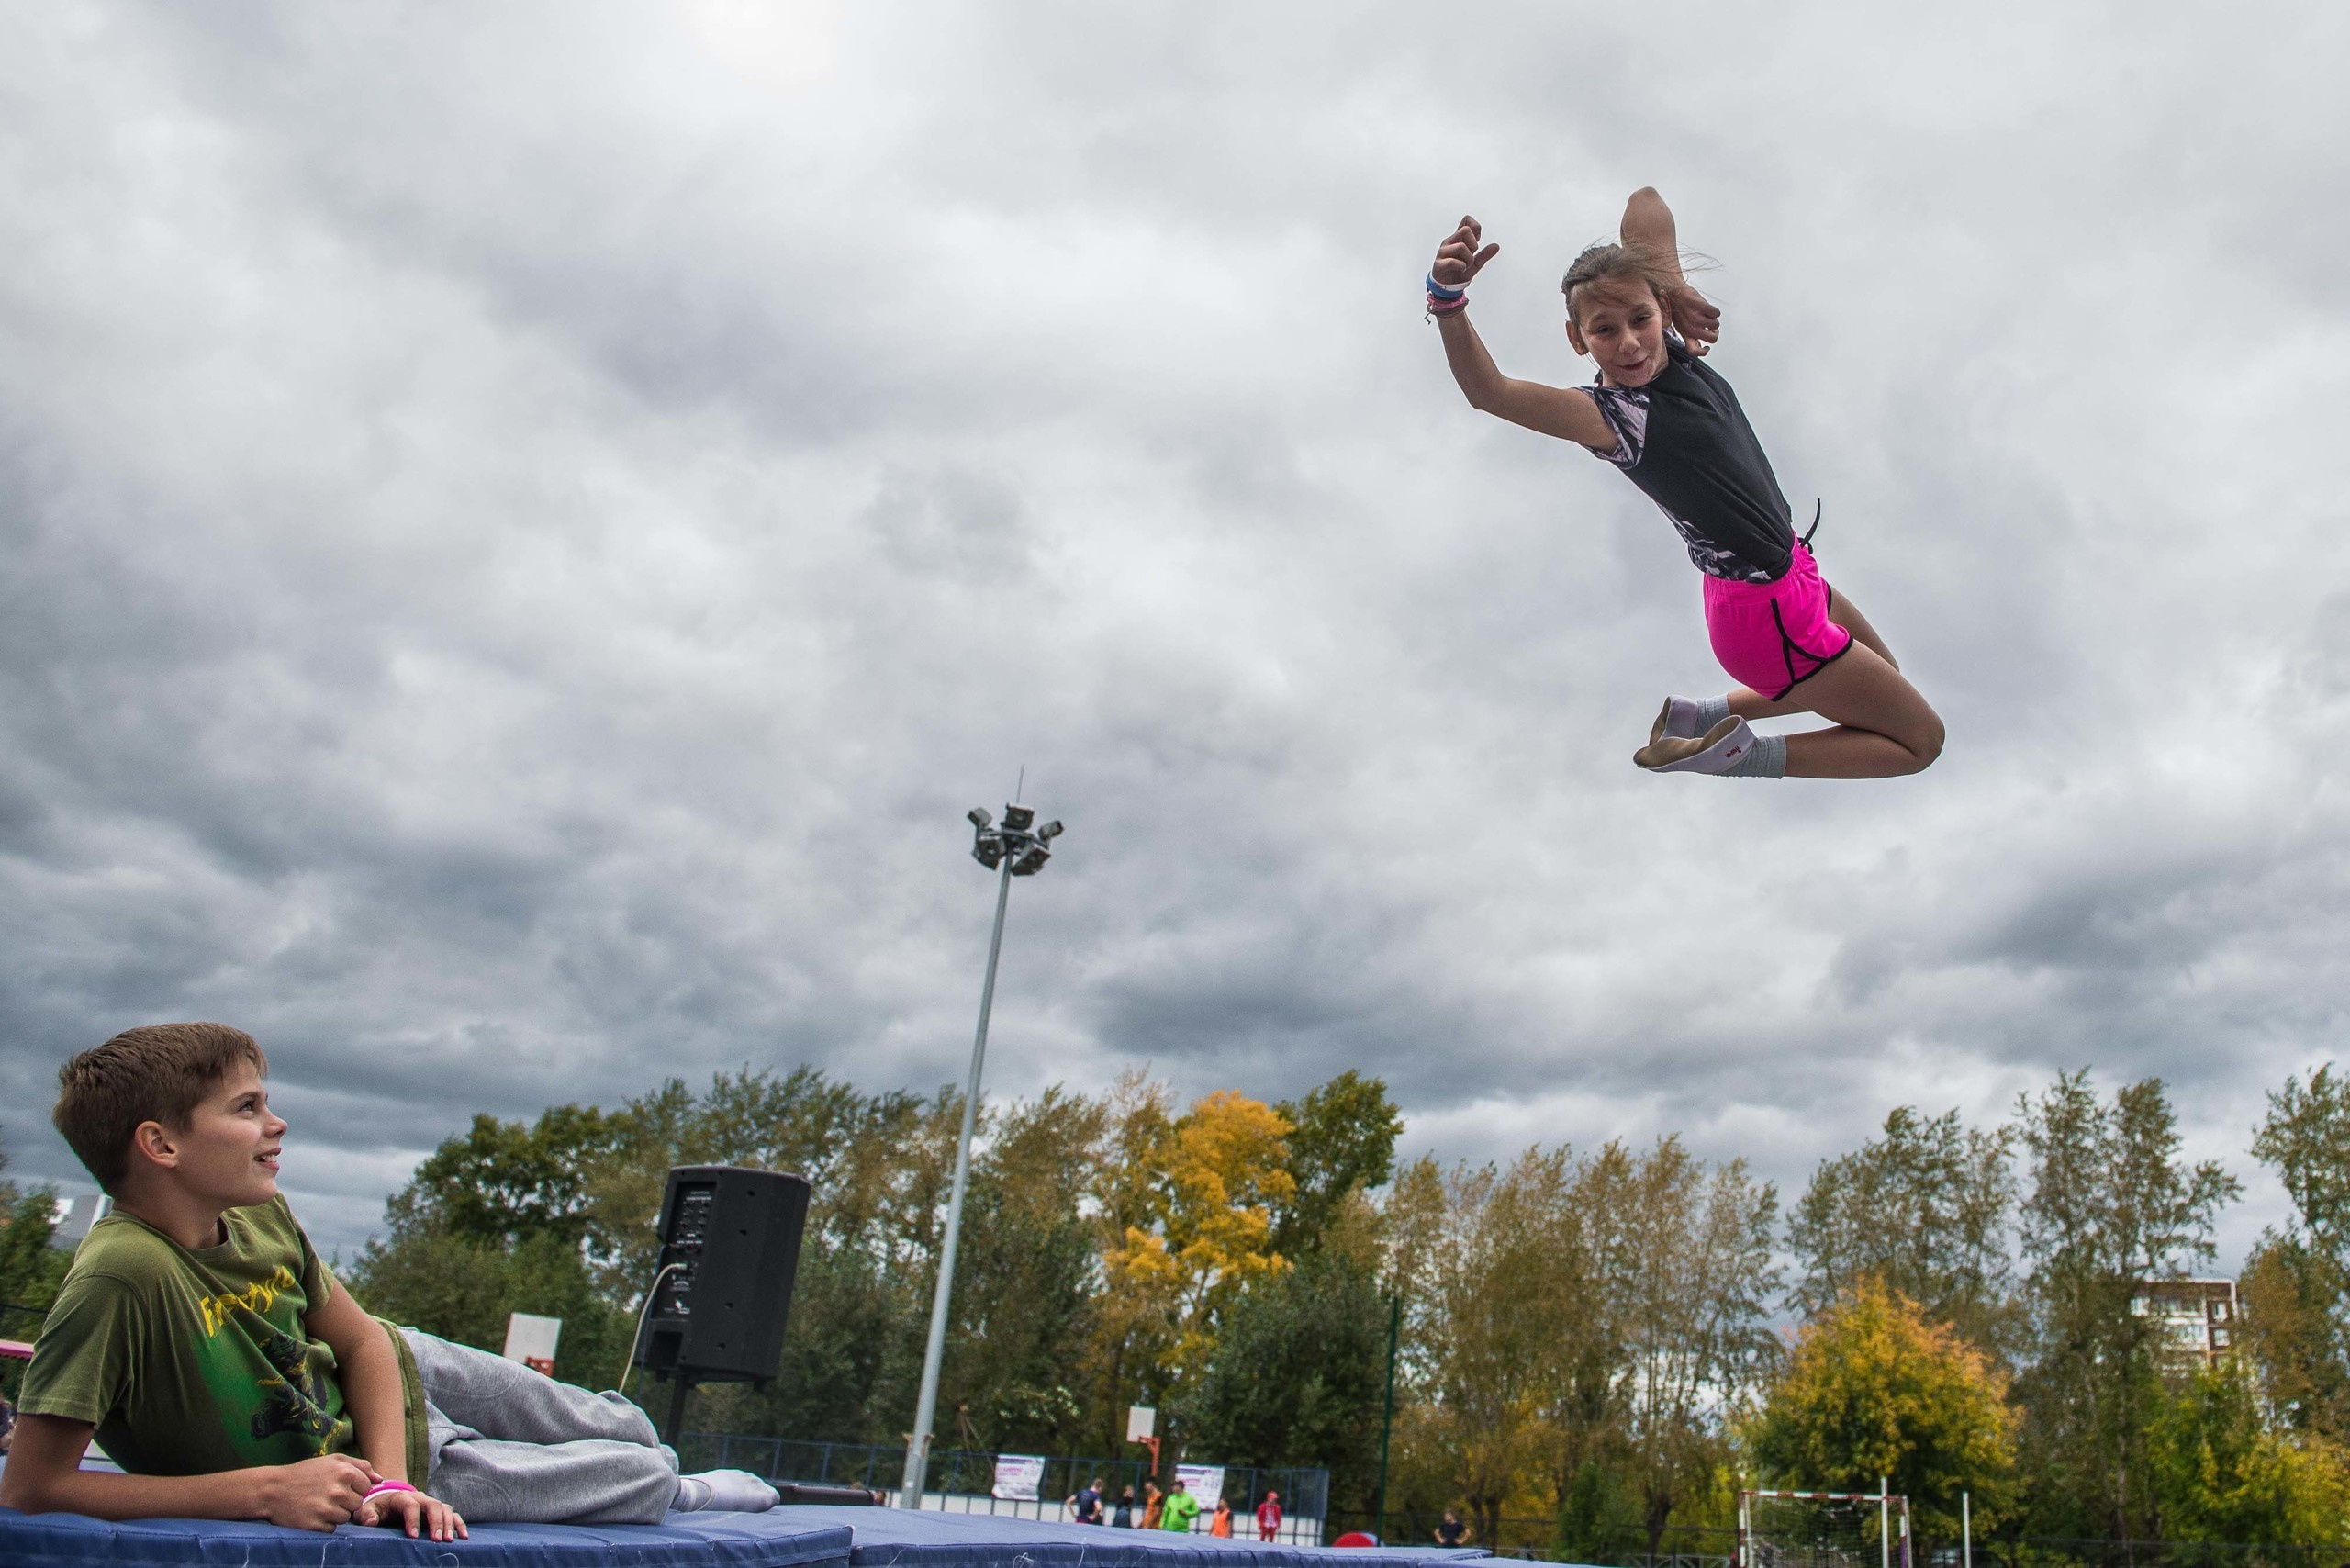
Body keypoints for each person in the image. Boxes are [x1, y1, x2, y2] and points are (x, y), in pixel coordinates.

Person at [0, 1024, 783, 1539]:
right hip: (349, 1457)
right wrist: (270, 1491)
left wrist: (391, 1484)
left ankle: (646, 1465)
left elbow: (363, 1339)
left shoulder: (267, 1220)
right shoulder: (120, 1277)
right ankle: (691, 1493)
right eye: (247, 1108)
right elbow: (33, 1489)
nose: (277, 1124)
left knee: (631, 1427)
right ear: (160, 1144)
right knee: (643, 1474)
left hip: (395, 1378)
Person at [1428, 191, 1943, 781]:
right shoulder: (1615, 416)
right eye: (1603, 330)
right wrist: (1448, 302)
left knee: (1888, 676)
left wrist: (1674, 287)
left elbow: (1645, 204)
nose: (1627, 342)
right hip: (1766, 615)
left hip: (1791, 573)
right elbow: (1490, 393)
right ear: (1578, 340)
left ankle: (1698, 717)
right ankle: (1739, 755)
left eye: (1640, 319)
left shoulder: (1676, 350)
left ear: (1661, 313)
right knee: (1920, 740)